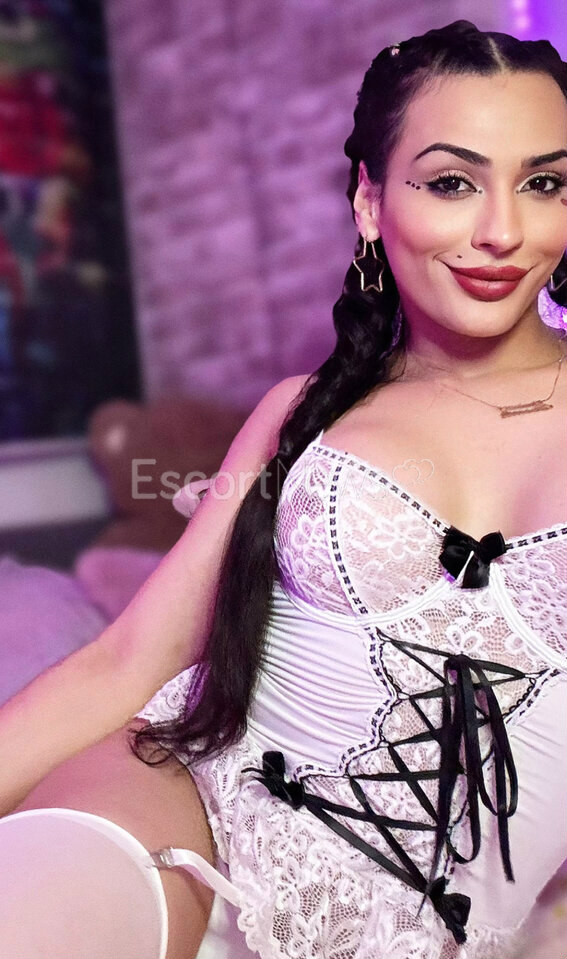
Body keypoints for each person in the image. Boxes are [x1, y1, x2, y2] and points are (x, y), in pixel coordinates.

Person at [0, 18, 566, 959]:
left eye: (543, 183)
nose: (501, 230)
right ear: (370, 203)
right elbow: (126, 660)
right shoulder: (302, 412)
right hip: (186, 802)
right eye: (451, 183)